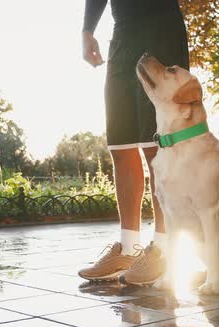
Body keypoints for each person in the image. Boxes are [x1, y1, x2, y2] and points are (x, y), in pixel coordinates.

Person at [78, 0, 189, 285]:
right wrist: (87, 30)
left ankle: (164, 250)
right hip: (122, 33)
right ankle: (128, 249)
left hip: (161, 29)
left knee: (156, 144)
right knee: (121, 143)